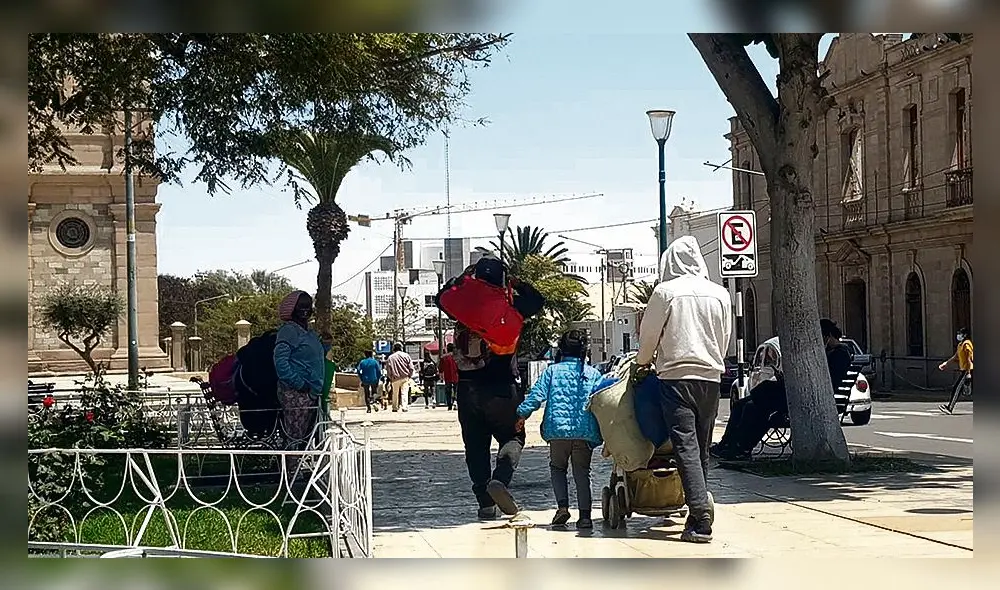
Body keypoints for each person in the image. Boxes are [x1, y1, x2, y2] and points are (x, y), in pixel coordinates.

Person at [635, 236, 732, 544]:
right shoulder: (720, 293)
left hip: (676, 377)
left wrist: (642, 362)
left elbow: (648, 335)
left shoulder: (665, 292)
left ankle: (701, 516)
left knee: (685, 447)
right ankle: (697, 509)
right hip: (711, 378)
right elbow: (726, 334)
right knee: (701, 447)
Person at [711, 318, 853, 460]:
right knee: (740, 405)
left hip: (808, 398)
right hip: (795, 392)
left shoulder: (839, 354)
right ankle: (726, 444)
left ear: (826, 336)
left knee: (753, 407)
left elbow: (825, 380)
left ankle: (741, 447)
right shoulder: (828, 353)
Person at [515, 329, 603, 529]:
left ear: (562, 349)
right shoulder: (593, 374)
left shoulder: (551, 372)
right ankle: (585, 517)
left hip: (557, 432)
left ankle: (562, 507)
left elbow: (536, 396)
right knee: (582, 473)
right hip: (584, 432)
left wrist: (521, 415)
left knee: (557, 468)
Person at [273, 291, 328, 451]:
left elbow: (311, 357)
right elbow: (280, 361)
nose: (305, 310)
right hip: (296, 393)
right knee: (294, 437)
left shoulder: (309, 332)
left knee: (306, 437)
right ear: (291, 309)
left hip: (311, 392)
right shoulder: (289, 331)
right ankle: (290, 473)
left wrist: (325, 345)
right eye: (300, 306)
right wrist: (299, 384)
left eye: (308, 306)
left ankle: (300, 471)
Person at [939, 327, 973, 414]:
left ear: (965, 335)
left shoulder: (966, 344)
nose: (958, 335)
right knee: (963, 389)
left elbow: (969, 358)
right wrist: (946, 363)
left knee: (956, 388)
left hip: (968, 370)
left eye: (960, 334)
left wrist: (968, 373)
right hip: (964, 370)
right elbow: (955, 357)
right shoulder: (960, 345)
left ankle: (949, 408)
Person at [385, 343, 414, 412]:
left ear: (394, 348)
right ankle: (404, 407)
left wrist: (390, 377)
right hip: (405, 377)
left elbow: (388, 370)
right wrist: (410, 375)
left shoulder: (390, 357)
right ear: (401, 348)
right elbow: (411, 367)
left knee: (395, 393)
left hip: (395, 378)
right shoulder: (406, 356)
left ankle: (395, 407)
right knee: (404, 392)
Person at [439, 343, 459, 411]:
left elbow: (441, 369)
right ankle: (456, 402)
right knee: (457, 390)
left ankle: (449, 404)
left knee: (448, 391)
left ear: (447, 349)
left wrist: (441, 377)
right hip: (456, 376)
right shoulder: (457, 356)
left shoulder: (443, 357)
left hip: (448, 377)